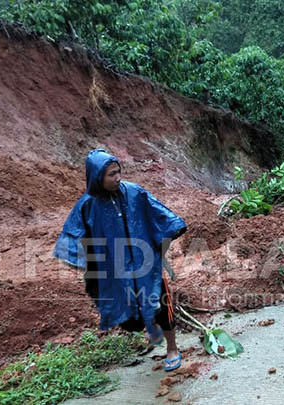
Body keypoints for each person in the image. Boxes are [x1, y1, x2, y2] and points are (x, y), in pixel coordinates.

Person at [53, 148, 187, 371]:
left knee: (162, 304)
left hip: (145, 264)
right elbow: (72, 233)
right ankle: (145, 327)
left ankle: (172, 348)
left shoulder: (134, 193)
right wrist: (75, 258)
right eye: (111, 174)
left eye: (118, 172)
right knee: (128, 317)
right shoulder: (88, 205)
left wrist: (162, 243)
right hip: (114, 268)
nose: (118, 178)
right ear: (97, 177)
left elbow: (160, 214)